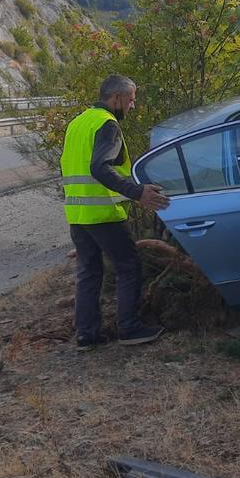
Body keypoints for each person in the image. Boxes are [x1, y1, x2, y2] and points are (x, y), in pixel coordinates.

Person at [60, 74, 171, 351]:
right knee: (129, 266)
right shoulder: (107, 125)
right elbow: (100, 167)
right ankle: (130, 328)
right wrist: (137, 192)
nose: (132, 107)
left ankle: (86, 335)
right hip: (103, 213)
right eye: (131, 100)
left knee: (89, 271)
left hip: (77, 214)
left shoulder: (78, 122)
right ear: (117, 98)